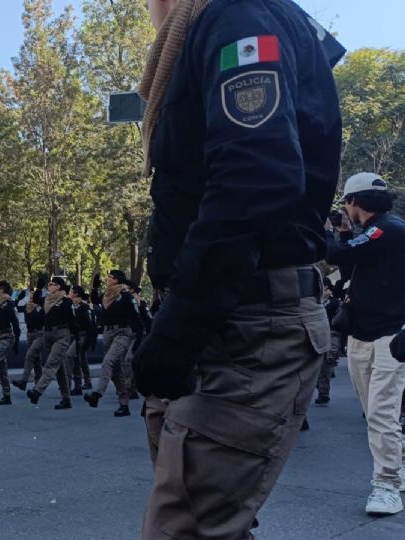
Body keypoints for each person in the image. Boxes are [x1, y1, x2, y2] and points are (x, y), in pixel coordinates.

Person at [131, 1, 344, 537]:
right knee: (209, 519)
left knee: (187, 527)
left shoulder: (240, 15)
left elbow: (256, 178)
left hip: (244, 319)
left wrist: (181, 325)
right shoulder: (216, 24)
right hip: (220, 315)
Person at [326, 172, 405, 515]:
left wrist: (331, 234)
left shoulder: (388, 229)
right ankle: (396, 469)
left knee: (381, 413)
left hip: (391, 334)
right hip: (361, 333)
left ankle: (387, 484)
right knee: (374, 412)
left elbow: (336, 255)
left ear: (354, 201)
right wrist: (345, 233)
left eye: (346, 203)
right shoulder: (373, 234)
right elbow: (346, 271)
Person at [85, 270, 144, 417]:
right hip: (108, 333)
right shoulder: (107, 295)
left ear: (117, 280)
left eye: (110, 277)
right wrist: (94, 287)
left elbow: (137, 318)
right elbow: (95, 300)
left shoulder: (125, 296)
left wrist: (138, 341)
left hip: (123, 333)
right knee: (116, 371)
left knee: (108, 361)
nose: (107, 279)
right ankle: (124, 405)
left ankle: (97, 393)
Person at [26, 276, 76, 410]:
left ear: (58, 286)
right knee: (59, 368)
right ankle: (66, 398)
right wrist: (38, 287)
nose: (49, 286)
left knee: (51, 363)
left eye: (51, 284)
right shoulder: (46, 300)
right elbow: (36, 301)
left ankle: (37, 391)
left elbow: (72, 320)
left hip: (61, 335)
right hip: (47, 334)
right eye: (48, 284)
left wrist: (76, 338)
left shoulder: (65, 302)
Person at [13, 279, 47, 391]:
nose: (31, 297)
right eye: (30, 295)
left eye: (33, 295)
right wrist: (19, 298)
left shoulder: (41, 306)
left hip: (39, 334)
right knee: (36, 359)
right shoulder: (27, 306)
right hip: (30, 334)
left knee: (30, 355)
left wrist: (38, 290)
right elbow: (16, 307)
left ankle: (24, 380)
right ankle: (38, 382)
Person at [315, 282, 344, 405]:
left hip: (331, 333)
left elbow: (339, 323)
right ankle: (321, 389)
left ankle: (323, 393)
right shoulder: (316, 301)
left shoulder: (335, 303)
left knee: (325, 365)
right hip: (317, 334)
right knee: (316, 367)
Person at [66, 285, 96, 394]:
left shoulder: (84, 307)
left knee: (70, 356)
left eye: (71, 291)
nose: (69, 293)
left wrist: (90, 340)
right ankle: (78, 385)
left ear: (76, 294)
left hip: (82, 336)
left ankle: (67, 385)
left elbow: (90, 324)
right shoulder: (70, 306)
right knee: (78, 359)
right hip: (72, 336)